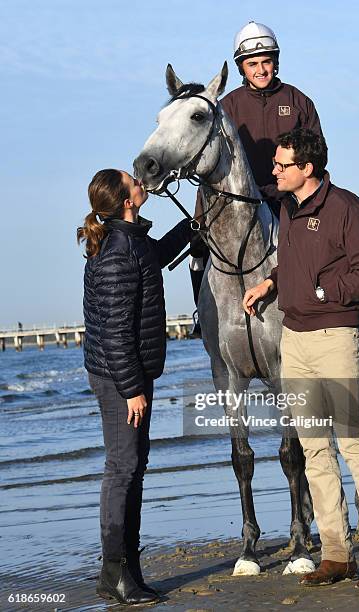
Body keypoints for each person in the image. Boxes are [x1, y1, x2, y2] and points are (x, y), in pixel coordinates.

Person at [242, 128, 359, 591]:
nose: (273, 172)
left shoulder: (345, 208)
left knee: (353, 442)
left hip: (335, 336)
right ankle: (336, 552)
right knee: (314, 447)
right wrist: (272, 282)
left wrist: (322, 292)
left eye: (281, 165)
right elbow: (297, 259)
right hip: (294, 339)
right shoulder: (287, 207)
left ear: (306, 169)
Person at [77, 169, 194, 605]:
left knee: (133, 468)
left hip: (131, 373)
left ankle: (129, 570)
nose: (141, 182)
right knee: (122, 470)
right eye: (134, 182)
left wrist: (191, 225)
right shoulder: (117, 250)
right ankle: (114, 575)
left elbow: (156, 255)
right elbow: (113, 332)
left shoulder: (131, 239)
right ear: (126, 199)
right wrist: (132, 389)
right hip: (118, 377)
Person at [190, 21, 323, 335]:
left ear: (276, 62)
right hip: (237, 205)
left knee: (314, 245)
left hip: (287, 199)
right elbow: (210, 162)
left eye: (266, 61)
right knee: (197, 249)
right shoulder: (226, 107)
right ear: (241, 67)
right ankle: (202, 313)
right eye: (253, 64)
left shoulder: (300, 102)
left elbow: (316, 157)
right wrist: (200, 217)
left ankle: (315, 304)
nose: (261, 69)